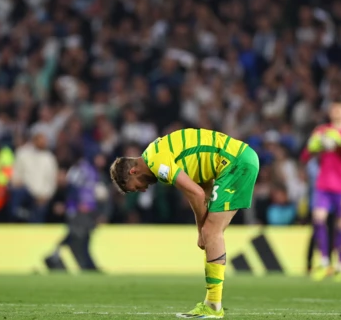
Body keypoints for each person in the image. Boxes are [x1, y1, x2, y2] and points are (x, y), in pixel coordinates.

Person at [110, 128, 259, 319]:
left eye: (136, 187)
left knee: (211, 232)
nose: (143, 190)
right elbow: (200, 185)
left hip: (235, 162)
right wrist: (203, 229)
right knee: (211, 232)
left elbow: (196, 193)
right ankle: (211, 303)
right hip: (235, 159)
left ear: (133, 171)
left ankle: (213, 305)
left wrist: (200, 231)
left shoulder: (158, 164)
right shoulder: (155, 154)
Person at [300, 101, 341, 281]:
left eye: (340, 109)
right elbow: (305, 155)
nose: (336, 111)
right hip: (323, 186)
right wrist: (315, 146)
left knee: (340, 225)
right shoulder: (321, 131)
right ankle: (324, 261)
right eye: (333, 108)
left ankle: (340, 264)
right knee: (318, 219)